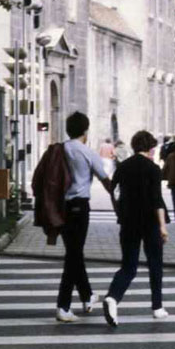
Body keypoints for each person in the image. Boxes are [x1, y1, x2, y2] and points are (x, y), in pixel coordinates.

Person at [103, 130, 170, 327]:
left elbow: (113, 192)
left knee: (128, 266)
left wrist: (119, 213)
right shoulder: (153, 168)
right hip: (150, 222)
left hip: (128, 222)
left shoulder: (123, 167)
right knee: (155, 264)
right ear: (150, 148)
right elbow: (157, 199)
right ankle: (157, 307)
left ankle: (113, 297)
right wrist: (163, 226)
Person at [56, 111, 111, 323]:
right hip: (79, 207)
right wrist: (118, 204)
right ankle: (63, 306)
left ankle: (87, 295)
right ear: (85, 131)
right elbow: (105, 180)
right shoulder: (87, 152)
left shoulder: (59, 149)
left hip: (61, 207)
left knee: (74, 253)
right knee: (73, 255)